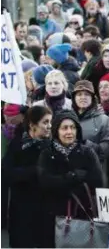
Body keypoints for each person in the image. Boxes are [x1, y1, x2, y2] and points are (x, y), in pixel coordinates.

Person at [37, 110, 104, 248]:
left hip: (82, 215)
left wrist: (65, 182)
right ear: (56, 131)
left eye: (73, 127)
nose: (69, 132)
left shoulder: (87, 152)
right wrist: (71, 177)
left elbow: (98, 181)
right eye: (64, 128)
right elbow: (45, 181)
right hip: (53, 216)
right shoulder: (47, 153)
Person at [2, 106, 52, 248]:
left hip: (46, 211)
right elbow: (7, 173)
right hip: (21, 210)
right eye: (45, 122)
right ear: (32, 124)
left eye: (50, 122)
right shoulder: (17, 144)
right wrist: (34, 171)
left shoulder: (51, 146)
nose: (49, 126)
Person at [71, 80, 109, 176]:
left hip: (94, 172)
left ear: (92, 97)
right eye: (79, 94)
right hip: (70, 172)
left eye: (87, 94)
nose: (83, 97)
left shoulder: (103, 119)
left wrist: (87, 145)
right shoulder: (66, 119)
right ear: (74, 98)